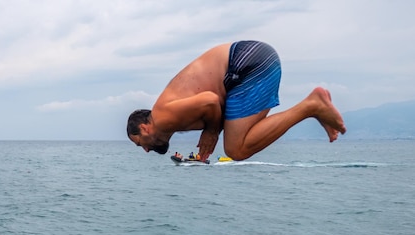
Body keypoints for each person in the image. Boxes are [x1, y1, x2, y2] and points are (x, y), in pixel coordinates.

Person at [126, 40, 346, 161]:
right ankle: (317, 110)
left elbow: (211, 100)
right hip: (254, 58)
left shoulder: (162, 117)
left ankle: (312, 106)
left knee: (236, 149)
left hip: (243, 64)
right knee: (243, 140)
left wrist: (212, 131)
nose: (145, 150)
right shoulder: (170, 117)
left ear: (145, 128)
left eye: (139, 144)